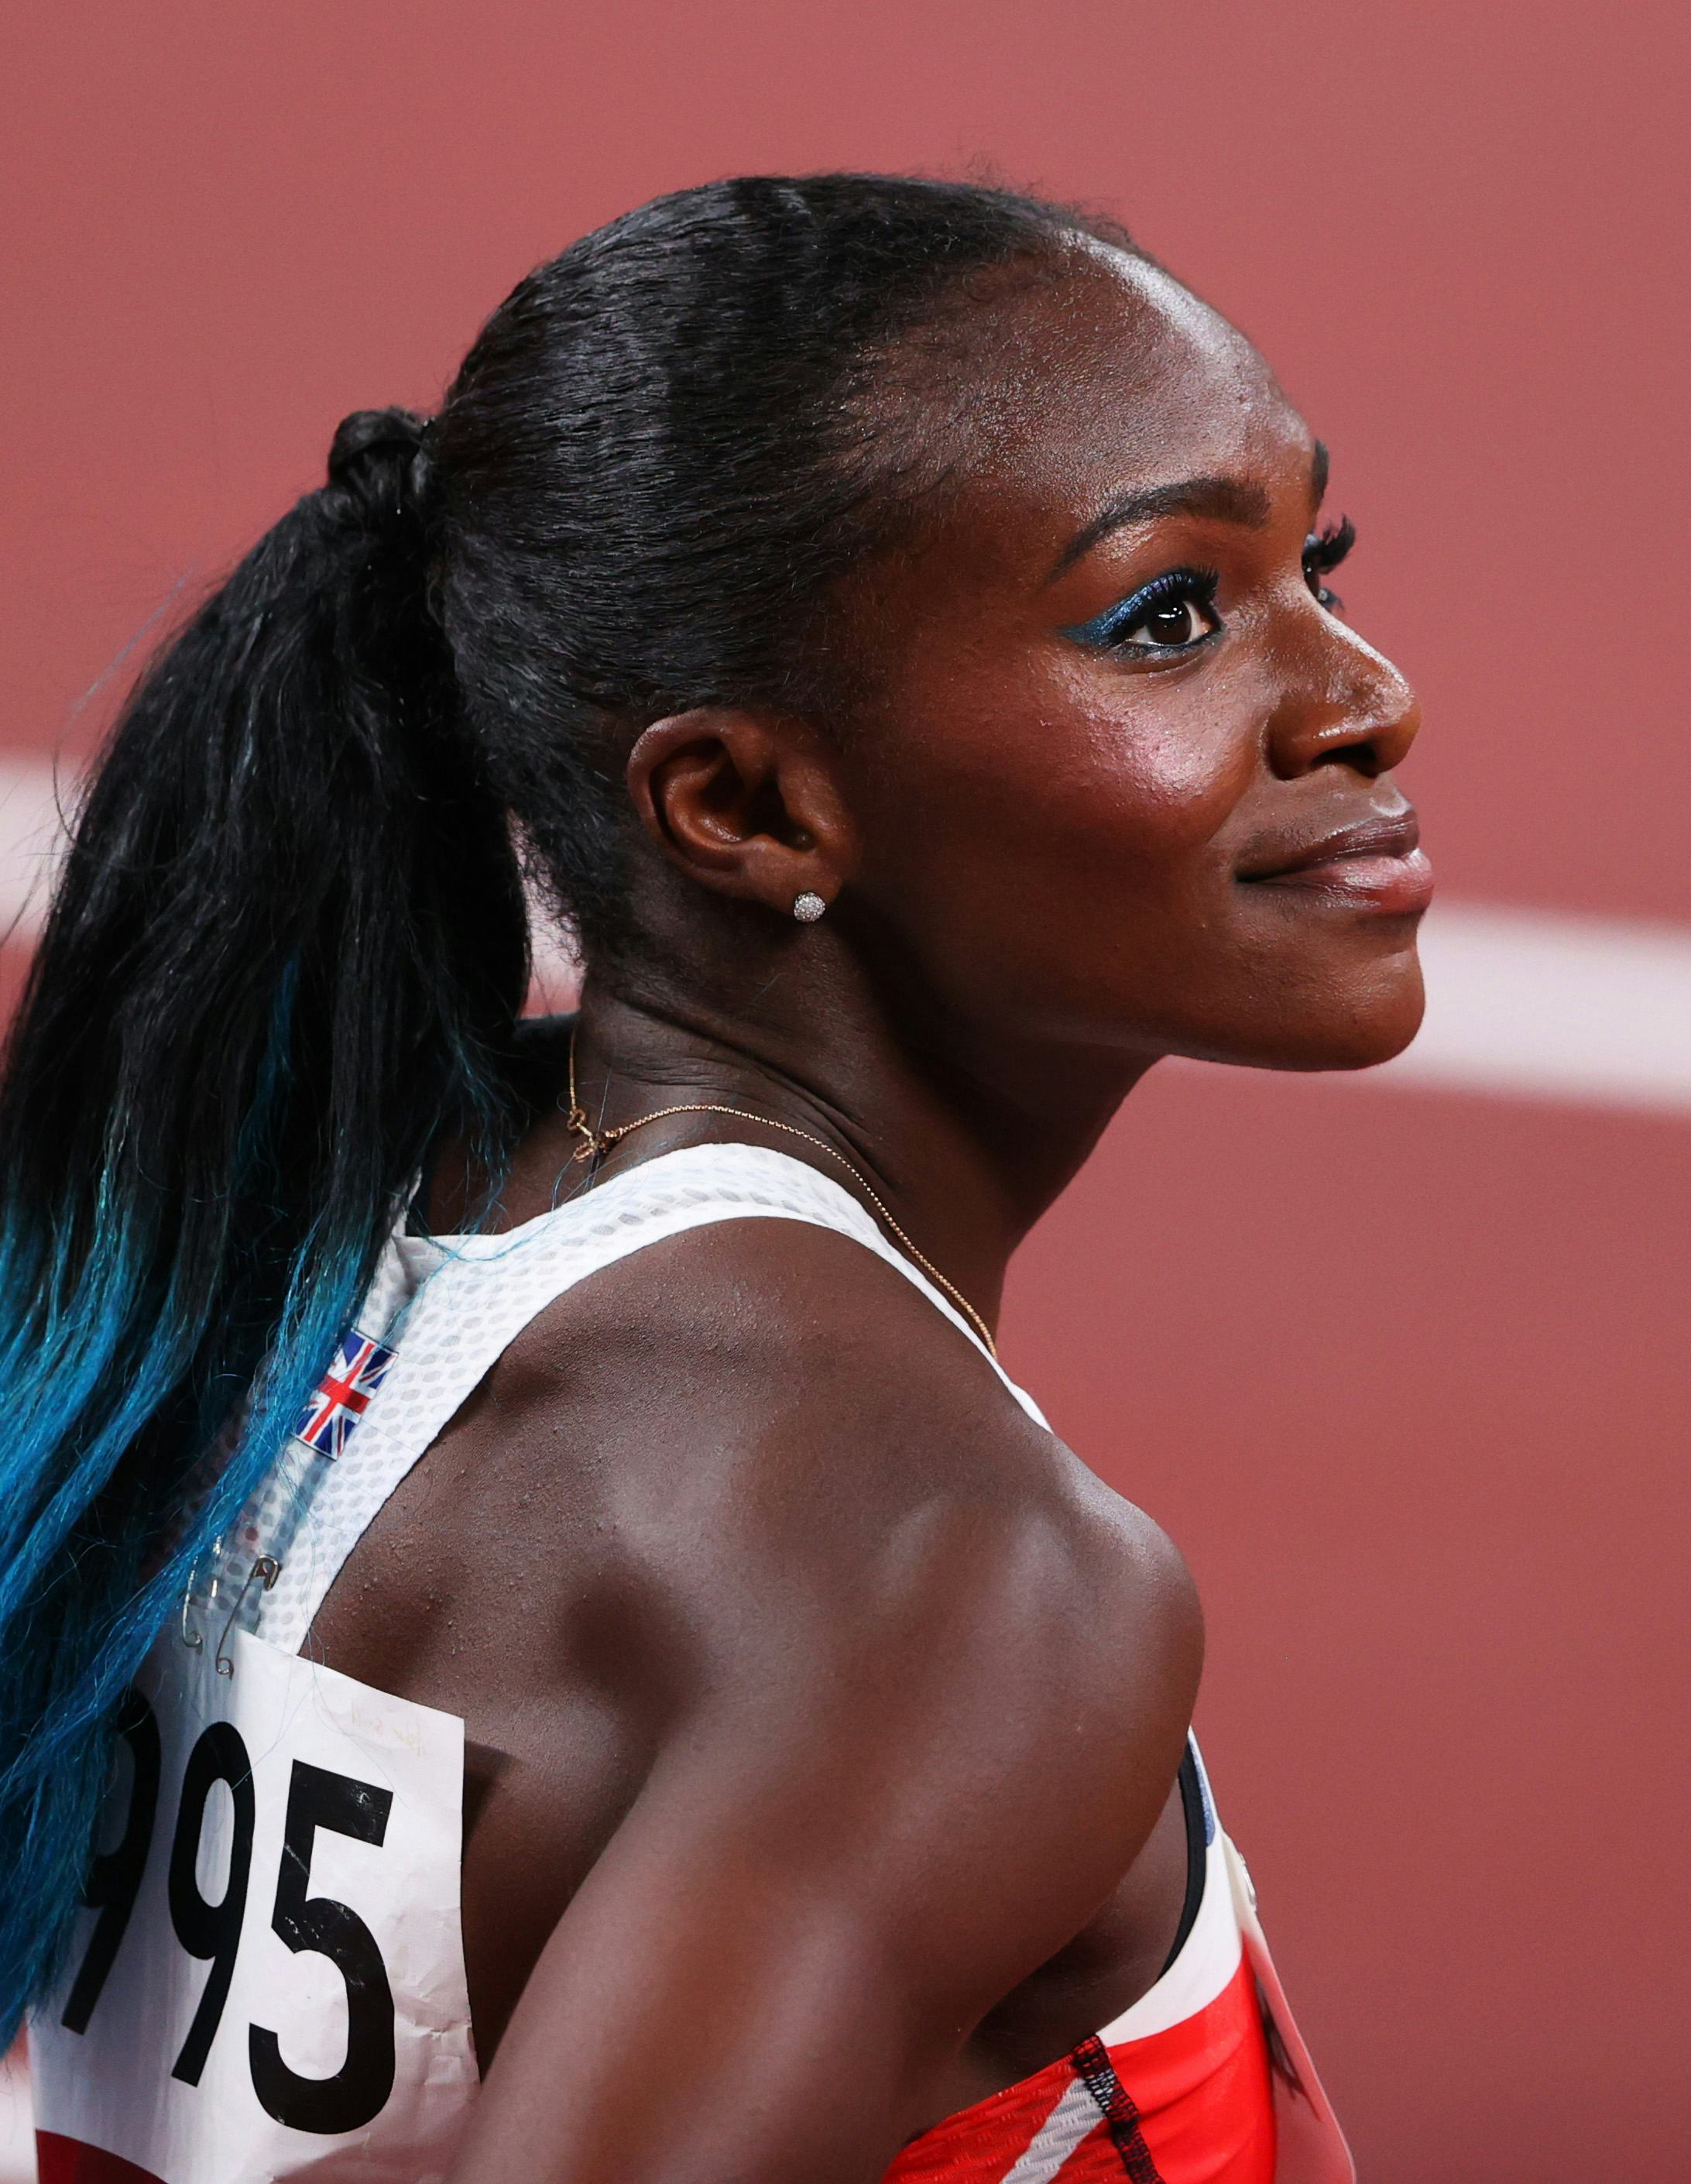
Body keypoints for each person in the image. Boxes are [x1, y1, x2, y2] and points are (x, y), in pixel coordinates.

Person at [5, 174, 1428, 2184]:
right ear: (746, 802)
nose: (1367, 698)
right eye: (1169, 616)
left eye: (1319, 565)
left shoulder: (291, 1223)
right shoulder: (948, 1568)